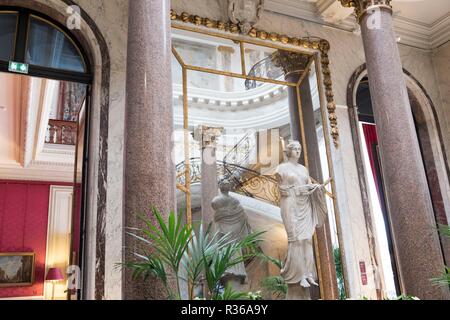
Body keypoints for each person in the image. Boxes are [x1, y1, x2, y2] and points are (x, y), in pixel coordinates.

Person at [274, 140, 328, 299]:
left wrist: (315, 188)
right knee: (296, 240)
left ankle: (308, 273)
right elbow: (281, 189)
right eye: (295, 149)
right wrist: (291, 190)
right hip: (290, 205)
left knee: (307, 240)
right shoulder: (281, 169)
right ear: (288, 151)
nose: (298, 151)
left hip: (304, 205)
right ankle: (298, 274)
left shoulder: (303, 169)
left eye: (299, 149)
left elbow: (308, 185)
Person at [211, 178, 252, 285]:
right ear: (220, 186)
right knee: (227, 249)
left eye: (227, 184)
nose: (226, 186)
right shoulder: (217, 201)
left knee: (234, 249)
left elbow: (242, 214)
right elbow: (242, 214)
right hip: (224, 230)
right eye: (224, 184)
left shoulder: (231, 201)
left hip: (233, 230)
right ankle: (228, 269)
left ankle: (235, 269)